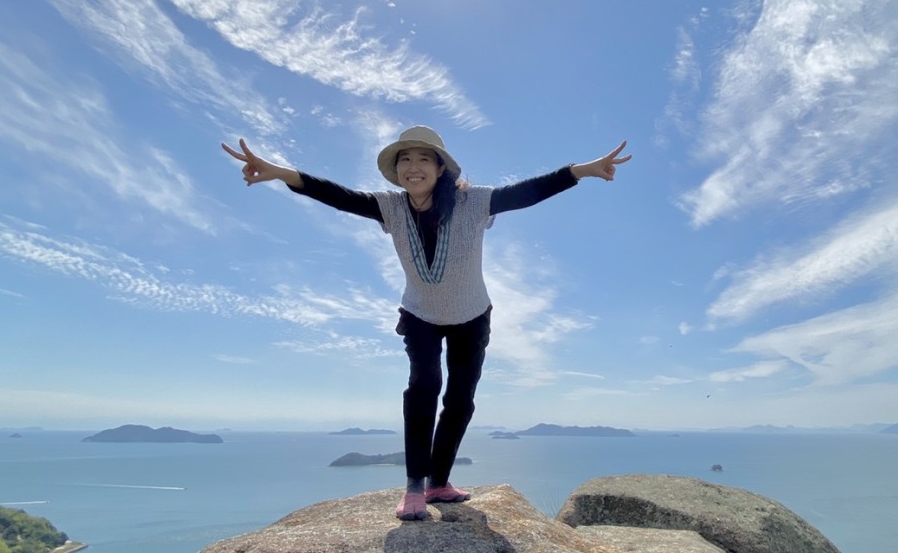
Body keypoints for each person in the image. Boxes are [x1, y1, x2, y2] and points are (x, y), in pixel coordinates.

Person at [222, 126, 631, 521]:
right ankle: (415, 487)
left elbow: (527, 192)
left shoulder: (475, 202)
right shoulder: (391, 207)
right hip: (419, 314)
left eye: (423, 159)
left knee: (460, 400)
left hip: (472, 315)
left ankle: (439, 482)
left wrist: (583, 170)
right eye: (405, 160)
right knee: (423, 385)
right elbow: (335, 195)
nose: (412, 167)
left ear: (441, 169)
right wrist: (278, 172)